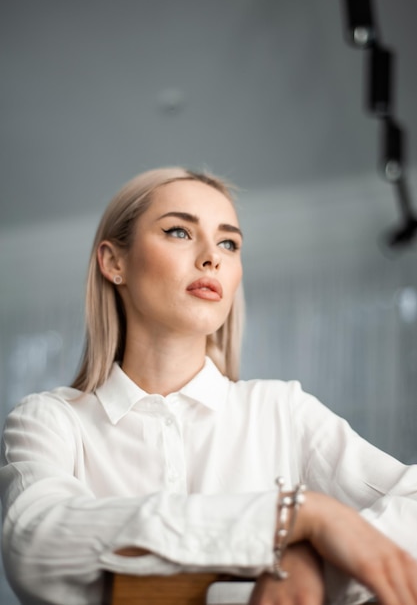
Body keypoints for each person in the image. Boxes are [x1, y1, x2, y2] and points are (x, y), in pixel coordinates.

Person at [1, 166, 417, 605]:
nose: (211, 257)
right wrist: (298, 516)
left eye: (228, 243)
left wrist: (310, 559)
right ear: (113, 262)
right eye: (180, 232)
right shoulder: (49, 419)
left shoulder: (282, 409)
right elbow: (35, 541)